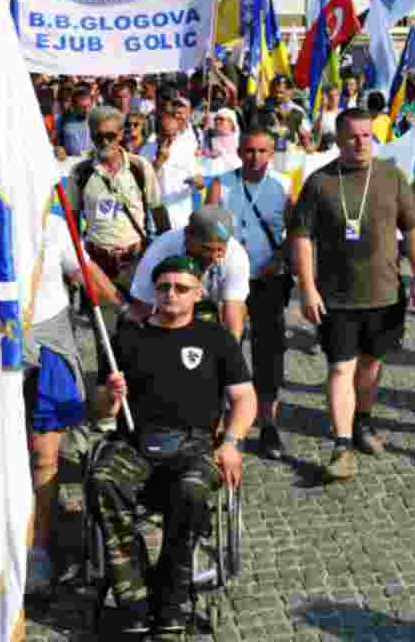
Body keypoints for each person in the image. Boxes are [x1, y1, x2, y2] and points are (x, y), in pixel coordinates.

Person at [88, 255, 256, 635]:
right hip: (135, 444)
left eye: (181, 288)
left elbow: (245, 399)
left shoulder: (215, 339)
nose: (171, 295)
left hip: (193, 447)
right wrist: (110, 398)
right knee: (101, 480)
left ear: (198, 293)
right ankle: (133, 593)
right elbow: (99, 408)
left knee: (192, 491)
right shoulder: (127, 339)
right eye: (164, 287)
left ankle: (173, 593)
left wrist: (231, 442)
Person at [291, 109, 415, 481]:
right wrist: (307, 287)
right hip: (336, 297)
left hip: (384, 294)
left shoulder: (391, 176)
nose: (361, 143)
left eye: (367, 135)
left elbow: (414, 230)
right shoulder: (320, 182)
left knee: (370, 367)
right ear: (338, 139)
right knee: (340, 367)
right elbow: (301, 237)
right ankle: (341, 444)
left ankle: (362, 421)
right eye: (352, 136)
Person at [19, 210, 124, 595]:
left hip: (49, 341)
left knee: (44, 455)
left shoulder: (53, 223)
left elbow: (83, 270)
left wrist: (124, 306)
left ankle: (38, 548)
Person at [206, 128, 293, 459]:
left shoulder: (283, 185)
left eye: (262, 151)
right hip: (229, 283)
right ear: (239, 152)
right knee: (228, 348)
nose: (254, 157)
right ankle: (226, 422)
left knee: (268, 353)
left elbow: (294, 231)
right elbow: (206, 226)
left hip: (267, 279)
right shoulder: (222, 183)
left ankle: (268, 423)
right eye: (248, 150)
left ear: (272, 153)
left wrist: (280, 260)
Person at [66, 107, 167, 292]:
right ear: (91, 135)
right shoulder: (80, 172)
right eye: (98, 137)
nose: (105, 142)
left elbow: (158, 209)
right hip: (97, 263)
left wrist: (166, 252)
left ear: (121, 134)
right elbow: (71, 219)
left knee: (137, 317)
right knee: (104, 319)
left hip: (135, 262)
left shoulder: (140, 166)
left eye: (110, 136)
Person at [128, 207, 250, 340]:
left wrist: (233, 353)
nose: (214, 257)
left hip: (211, 312)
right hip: (166, 313)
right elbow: (143, 307)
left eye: (220, 250)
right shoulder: (161, 250)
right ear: (187, 237)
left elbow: (234, 312)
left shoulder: (236, 255)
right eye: (206, 249)